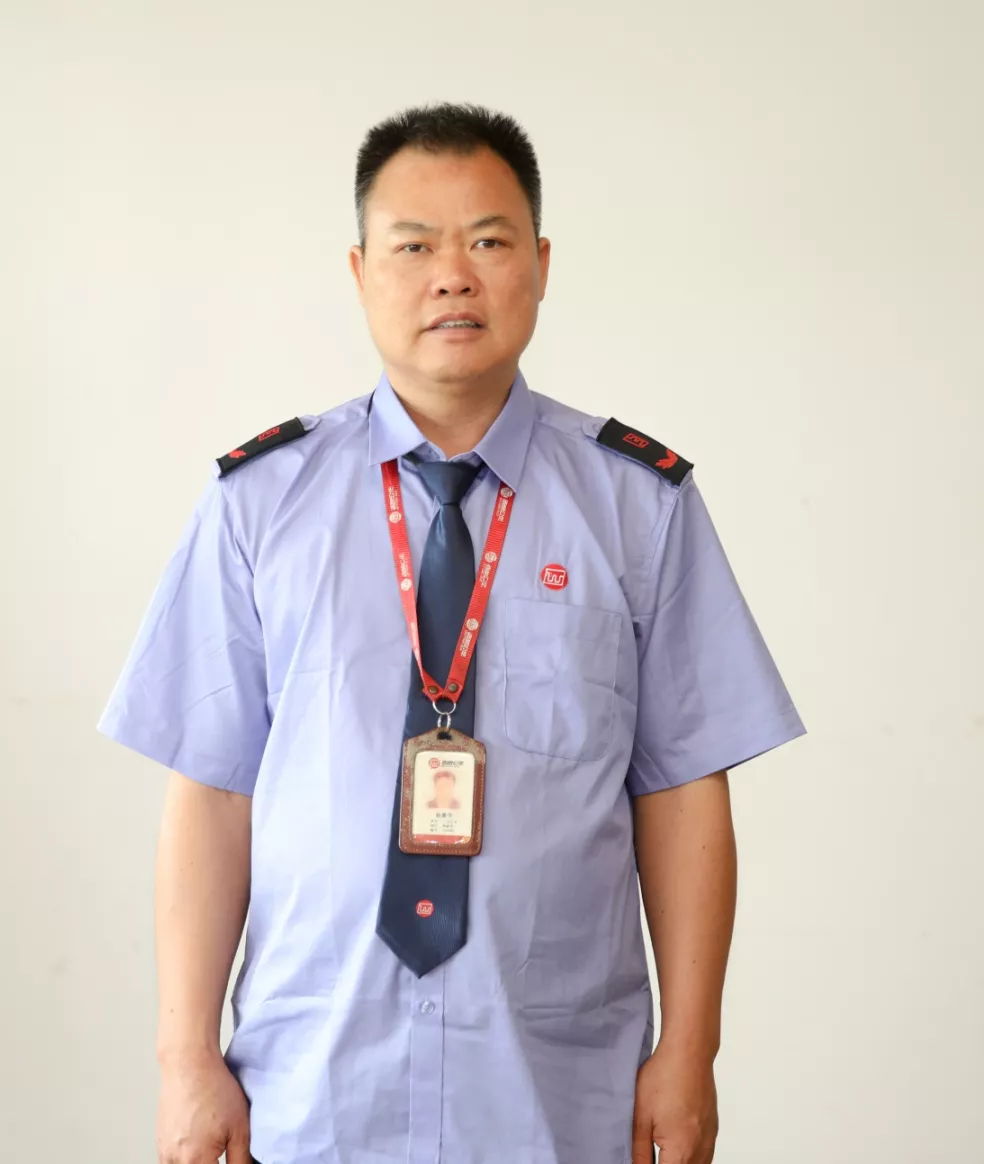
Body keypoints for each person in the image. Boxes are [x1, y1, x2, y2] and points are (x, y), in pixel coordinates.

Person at [98, 101, 806, 1164]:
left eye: (487, 242)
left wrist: (690, 1051)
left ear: (541, 265)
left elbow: (681, 790)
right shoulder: (259, 506)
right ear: (359, 272)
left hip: (559, 1088)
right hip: (315, 1084)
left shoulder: (638, 506)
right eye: (414, 246)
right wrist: (185, 1058)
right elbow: (213, 792)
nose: (452, 278)